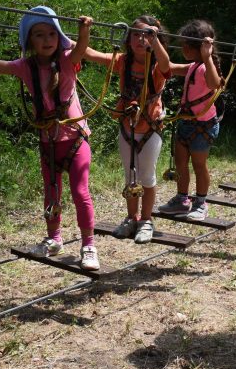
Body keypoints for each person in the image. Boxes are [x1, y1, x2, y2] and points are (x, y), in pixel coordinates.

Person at [0, 8, 100, 270]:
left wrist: (85, 30)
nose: (47, 39)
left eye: (52, 33)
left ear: (59, 36)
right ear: (30, 40)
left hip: (75, 137)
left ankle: (88, 245)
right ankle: (54, 238)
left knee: (80, 192)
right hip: (49, 141)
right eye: (39, 34)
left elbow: (80, 50)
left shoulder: (66, 60)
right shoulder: (25, 67)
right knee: (51, 193)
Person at [84, 16, 171, 244]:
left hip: (150, 130)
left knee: (147, 176)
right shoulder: (123, 61)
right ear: (128, 38)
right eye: (136, 34)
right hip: (127, 128)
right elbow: (89, 54)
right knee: (130, 176)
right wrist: (78, 33)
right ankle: (131, 218)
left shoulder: (157, 66)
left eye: (147, 35)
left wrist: (156, 40)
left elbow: (167, 64)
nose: (141, 39)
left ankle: (146, 220)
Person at [158, 19, 222, 221]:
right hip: (186, 122)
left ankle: (201, 203)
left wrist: (207, 57)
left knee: (199, 164)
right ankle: (182, 199)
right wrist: (156, 41)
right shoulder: (194, 66)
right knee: (181, 162)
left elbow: (214, 83)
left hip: (203, 125)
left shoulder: (205, 67)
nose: (183, 47)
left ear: (198, 47)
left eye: (187, 44)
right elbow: (168, 66)